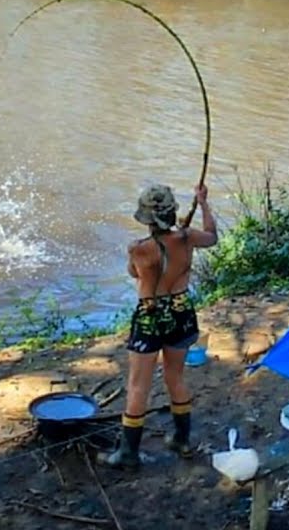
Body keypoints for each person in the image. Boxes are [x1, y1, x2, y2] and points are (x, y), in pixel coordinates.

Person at [99, 182, 218, 469]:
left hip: (150, 316)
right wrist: (203, 203)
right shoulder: (187, 237)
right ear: (171, 212)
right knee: (175, 377)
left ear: (146, 218)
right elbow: (212, 237)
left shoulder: (138, 248)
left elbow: (134, 274)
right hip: (181, 312)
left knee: (138, 385)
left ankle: (128, 453)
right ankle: (181, 439)